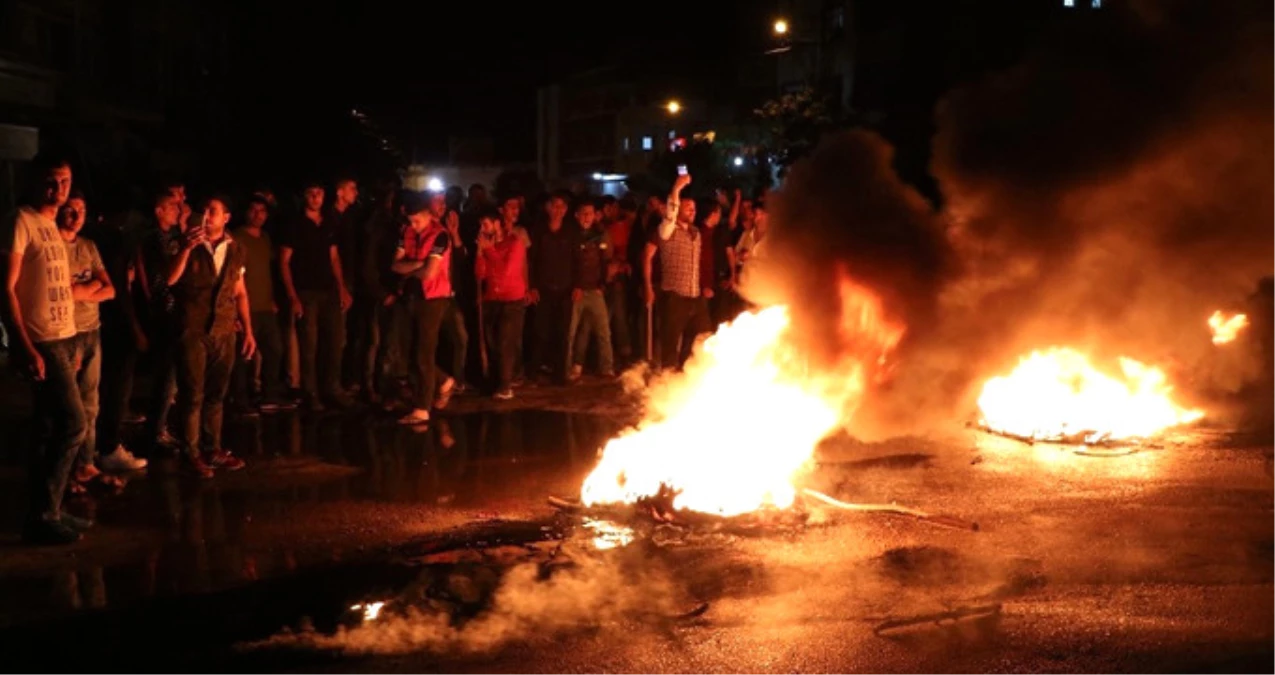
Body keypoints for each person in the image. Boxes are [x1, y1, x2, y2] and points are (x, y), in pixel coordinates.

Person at [1, 155, 88, 544]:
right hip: (42, 338)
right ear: (37, 183)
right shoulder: (20, 221)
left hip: (64, 335)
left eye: (65, 183)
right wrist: (22, 343)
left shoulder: (52, 225)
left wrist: (73, 336)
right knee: (75, 423)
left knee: (50, 426)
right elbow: (6, 288)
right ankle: (44, 514)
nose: (59, 191)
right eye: (52, 183)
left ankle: (46, 511)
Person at [58, 192, 145, 494]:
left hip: (92, 330)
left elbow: (109, 290)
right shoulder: (54, 248)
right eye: (70, 210)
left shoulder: (88, 246)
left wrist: (81, 289)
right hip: (67, 333)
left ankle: (85, 464)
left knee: (91, 403)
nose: (76, 215)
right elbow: (60, 292)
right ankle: (63, 472)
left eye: (81, 210)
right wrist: (89, 286)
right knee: (69, 412)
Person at [165, 195, 254, 477]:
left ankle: (211, 448)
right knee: (193, 394)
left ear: (226, 217)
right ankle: (191, 453)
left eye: (213, 211)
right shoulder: (185, 243)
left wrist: (248, 330)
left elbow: (239, 291)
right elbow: (169, 279)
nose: (207, 215)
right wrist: (187, 248)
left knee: (216, 394)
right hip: (192, 328)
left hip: (223, 329)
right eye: (205, 210)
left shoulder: (236, 249)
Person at [279, 180, 354, 411]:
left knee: (335, 341)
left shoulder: (329, 222)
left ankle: (332, 388)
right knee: (309, 345)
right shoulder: (295, 224)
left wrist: (342, 287)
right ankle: (311, 393)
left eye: (319, 193)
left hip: (328, 290)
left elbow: (334, 257)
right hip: (306, 291)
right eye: (310, 193)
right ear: (304, 196)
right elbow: (284, 261)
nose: (315, 197)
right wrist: (293, 296)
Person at [392, 194, 454, 425]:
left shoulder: (440, 235)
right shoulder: (405, 232)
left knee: (424, 352)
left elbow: (431, 273)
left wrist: (409, 269)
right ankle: (443, 380)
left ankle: (422, 407)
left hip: (433, 298)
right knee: (411, 351)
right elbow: (394, 264)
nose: (413, 225)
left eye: (417, 220)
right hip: (411, 296)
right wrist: (420, 264)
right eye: (410, 221)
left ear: (428, 215)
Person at [232, 195, 290, 410]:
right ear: (246, 212)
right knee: (243, 357)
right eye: (253, 210)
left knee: (274, 350)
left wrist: (273, 298)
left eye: (262, 211)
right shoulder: (236, 238)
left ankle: (269, 395)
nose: (258, 215)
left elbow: (267, 271)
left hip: (265, 306)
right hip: (245, 308)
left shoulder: (265, 238)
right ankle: (241, 400)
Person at [650, 172, 711, 371]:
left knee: (700, 341)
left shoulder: (696, 233)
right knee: (670, 346)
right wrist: (676, 189)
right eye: (687, 207)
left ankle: (687, 381)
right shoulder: (667, 229)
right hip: (675, 297)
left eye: (694, 208)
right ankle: (666, 385)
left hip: (695, 296)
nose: (692, 211)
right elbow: (670, 214)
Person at [474, 206, 528, 399]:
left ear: (497, 224)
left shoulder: (515, 243)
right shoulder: (488, 246)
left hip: (511, 299)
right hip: (491, 299)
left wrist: (489, 251)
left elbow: (507, 272)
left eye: (485, 223)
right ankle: (498, 381)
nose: (482, 228)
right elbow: (480, 274)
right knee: (493, 342)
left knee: (506, 341)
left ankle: (506, 386)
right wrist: (480, 253)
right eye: (481, 224)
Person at [567, 199, 614, 379]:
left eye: (590, 213)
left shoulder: (599, 235)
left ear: (595, 215)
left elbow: (604, 261)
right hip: (576, 291)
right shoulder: (571, 236)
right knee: (571, 332)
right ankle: (569, 367)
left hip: (595, 289)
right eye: (584, 213)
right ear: (576, 215)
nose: (587, 217)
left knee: (603, 330)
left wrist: (603, 284)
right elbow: (568, 265)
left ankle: (607, 367)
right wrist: (574, 286)